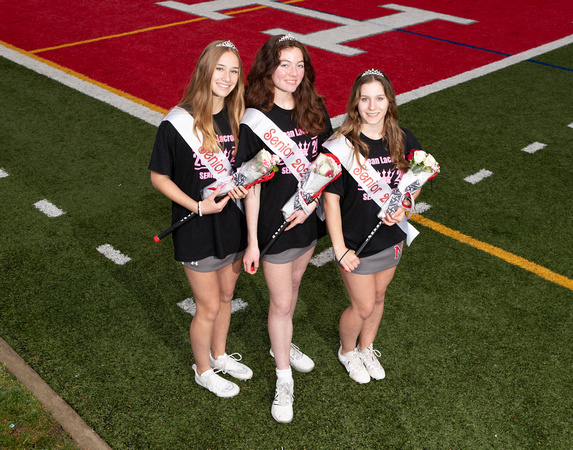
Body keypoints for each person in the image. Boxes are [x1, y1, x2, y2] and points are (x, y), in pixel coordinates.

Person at [235, 34, 332, 422]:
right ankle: (282, 377)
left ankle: (283, 343)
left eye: (299, 64)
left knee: (292, 289)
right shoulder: (254, 116)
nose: (292, 73)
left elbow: (327, 164)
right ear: (268, 68)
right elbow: (251, 184)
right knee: (279, 302)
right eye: (283, 64)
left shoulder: (315, 108)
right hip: (274, 226)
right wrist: (253, 242)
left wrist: (311, 208)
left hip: (305, 221)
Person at [148, 40, 252, 398]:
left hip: (232, 222)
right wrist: (196, 205)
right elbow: (159, 177)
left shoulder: (240, 116)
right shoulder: (178, 121)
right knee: (207, 305)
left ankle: (219, 354)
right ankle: (203, 369)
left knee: (226, 297)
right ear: (205, 71)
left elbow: (244, 170)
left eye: (234, 70)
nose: (226, 77)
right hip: (195, 224)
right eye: (220, 69)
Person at [323, 69, 423, 384]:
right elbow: (330, 200)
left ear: (389, 101)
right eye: (365, 99)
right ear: (356, 103)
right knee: (363, 305)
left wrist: (405, 204)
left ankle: (366, 347)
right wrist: (339, 250)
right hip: (356, 244)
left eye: (379, 98)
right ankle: (347, 350)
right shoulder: (340, 145)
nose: (372, 106)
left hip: (392, 237)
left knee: (379, 298)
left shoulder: (403, 138)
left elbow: (417, 179)